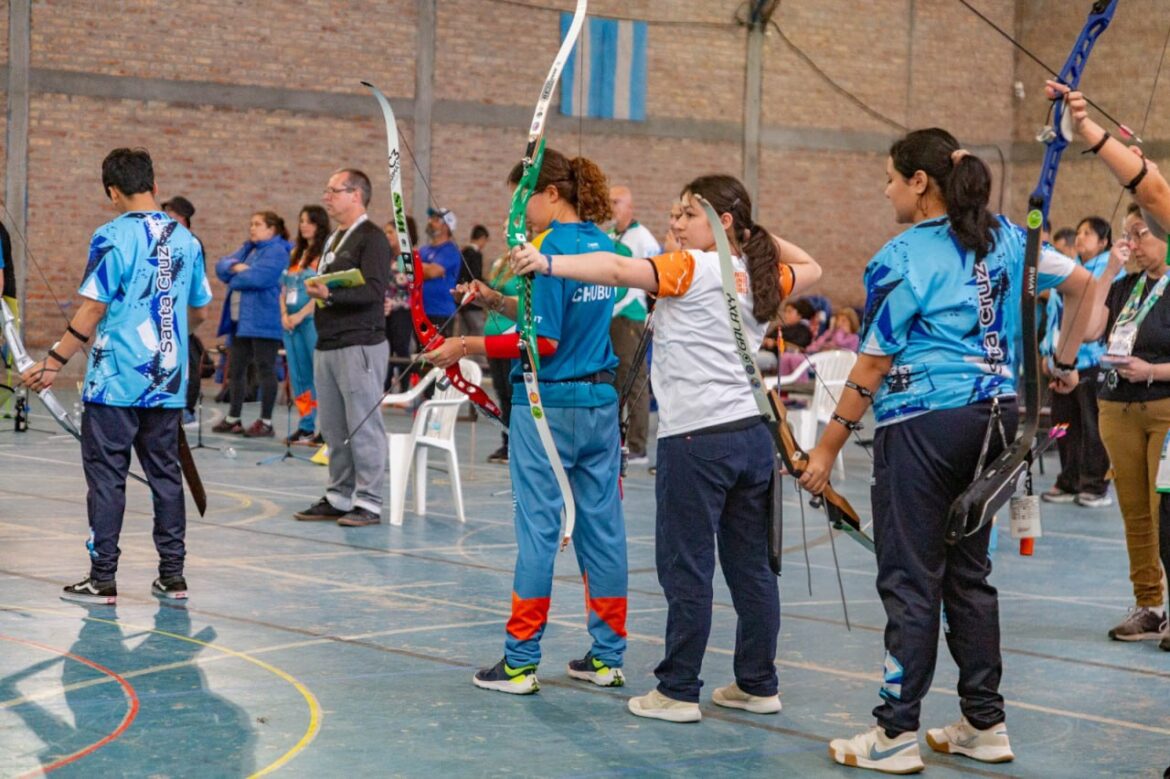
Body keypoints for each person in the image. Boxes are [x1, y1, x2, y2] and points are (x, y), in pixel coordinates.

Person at [796, 129, 1096, 773]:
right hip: (998, 425)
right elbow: (1085, 289)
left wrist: (824, 450)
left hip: (925, 425)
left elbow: (872, 363)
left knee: (911, 577)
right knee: (967, 574)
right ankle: (984, 724)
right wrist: (1063, 361)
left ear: (920, 182)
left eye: (890, 179)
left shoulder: (901, 256)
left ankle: (895, 733)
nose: (886, 190)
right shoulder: (1012, 239)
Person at [511, 173, 820, 722]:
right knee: (751, 569)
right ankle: (757, 683)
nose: (674, 223)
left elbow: (616, 268)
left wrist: (547, 263)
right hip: (751, 439)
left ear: (722, 225)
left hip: (698, 440)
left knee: (687, 570)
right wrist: (752, 236)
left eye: (688, 215)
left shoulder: (693, 267)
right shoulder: (759, 273)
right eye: (674, 213)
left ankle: (677, 690)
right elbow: (813, 266)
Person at [425, 147, 627, 695]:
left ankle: (519, 662)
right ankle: (607, 657)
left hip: (551, 407)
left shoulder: (549, 248)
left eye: (524, 198)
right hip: (600, 405)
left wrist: (465, 342)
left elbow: (546, 339)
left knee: (538, 531)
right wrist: (494, 298)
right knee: (602, 529)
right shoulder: (601, 247)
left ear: (551, 194)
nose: (520, 211)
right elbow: (557, 315)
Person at [20, 147, 211, 604]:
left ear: (112, 192)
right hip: (167, 383)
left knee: (108, 479)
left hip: (115, 383)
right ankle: (173, 576)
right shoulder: (186, 240)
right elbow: (199, 312)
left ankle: (102, 577)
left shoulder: (111, 235)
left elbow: (92, 307)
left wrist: (53, 361)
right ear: (155, 185)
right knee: (166, 477)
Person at [1048, 80, 1170, 646]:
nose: (1135, 240)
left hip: (1164, 408)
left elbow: (1151, 186)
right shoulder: (1124, 285)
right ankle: (1149, 604)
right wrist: (1105, 271)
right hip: (1117, 406)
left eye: (1142, 234)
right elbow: (1089, 329)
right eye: (1128, 235)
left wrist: (1087, 129)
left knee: (1166, 518)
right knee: (1135, 515)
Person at [293, 169, 390, 527]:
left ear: (356, 195)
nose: (327, 197)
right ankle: (338, 494)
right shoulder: (335, 238)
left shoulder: (372, 239)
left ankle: (369, 500)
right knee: (334, 427)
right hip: (328, 342)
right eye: (327, 189)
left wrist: (330, 293)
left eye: (334, 191)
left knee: (362, 425)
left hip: (360, 344)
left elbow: (374, 292)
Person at [1040, 216, 1114, 508]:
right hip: (1062, 362)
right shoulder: (1072, 273)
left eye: (1087, 233)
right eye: (1079, 232)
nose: (1080, 238)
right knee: (1063, 425)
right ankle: (1068, 478)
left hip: (1091, 361)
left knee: (1092, 426)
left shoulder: (1110, 274)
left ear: (1104, 241)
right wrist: (1050, 353)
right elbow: (1055, 321)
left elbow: (1098, 322)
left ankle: (1094, 485)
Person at [212, 211, 289, 437]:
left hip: (264, 320)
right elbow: (220, 266)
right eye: (251, 224)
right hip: (240, 321)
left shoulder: (277, 251)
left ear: (271, 229)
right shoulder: (249, 248)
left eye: (257, 224)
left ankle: (265, 421)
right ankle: (233, 418)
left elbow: (259, 278)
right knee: (236, 370)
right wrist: (236, 268)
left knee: (266, 369)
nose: (252, 228)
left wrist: (233, 274)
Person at [609, 185, 660, 465]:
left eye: (616, 202)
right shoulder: (609, 236)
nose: (611, 207)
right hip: (609, 316)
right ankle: (615, 440)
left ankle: (638, 445)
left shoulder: (644, 239)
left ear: (630, 208)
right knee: (612, 381)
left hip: (631, 317)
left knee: (634, 377)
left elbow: (655, 279)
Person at [281, 205, 329, 444]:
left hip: (310, 321)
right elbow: (283, 288)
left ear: (319, 225)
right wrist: (284, 315)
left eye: (309, 221)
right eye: (301, 221)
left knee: (318, 374)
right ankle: (306, 423)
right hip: (290, 324)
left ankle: (325, 427)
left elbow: (319, 292)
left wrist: (300, 315)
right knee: (299, 376)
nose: (304, 225)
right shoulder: (295, 253)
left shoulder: (323, 256)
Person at [162, 196, 206, 426]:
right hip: (165, 313)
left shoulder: (191, 244)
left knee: (187, 362)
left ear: (182, 218)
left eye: (170, 214)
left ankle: (186, 408)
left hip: (183, 313)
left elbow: (195, 288)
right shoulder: (163, 243)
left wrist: (189, 322)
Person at [482, 249, 520, 463]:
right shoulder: (500, 261)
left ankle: (516, 443)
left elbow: (522, 297)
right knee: (502, 394)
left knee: (512, 392)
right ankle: (506, 442)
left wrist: (497, 298)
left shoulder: (527, 260)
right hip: (493, 332)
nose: (506, 231)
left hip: (510, 333)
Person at [383, 216, 417, 393]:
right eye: (385, 232)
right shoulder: (385, 255)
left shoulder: (408, 256)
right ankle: (385, 387)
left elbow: (409, 283)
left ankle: (405, 389)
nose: (387, 235)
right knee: (385, 348)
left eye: (390, 232)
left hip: (403, 309)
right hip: (385, 309)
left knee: (401, 347)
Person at [777, 308, 861, 379]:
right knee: (786, 356)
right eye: (838, 320)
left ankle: (800, 387)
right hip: (817, 357)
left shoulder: (853, 338)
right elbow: (816, 345)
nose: (840, 323)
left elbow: (841, 344)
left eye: (844, 321)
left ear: (852, 322)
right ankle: (783, 388)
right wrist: (827, 336)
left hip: (830, 365)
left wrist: (840, 332)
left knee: (797, 360)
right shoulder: (830, 333)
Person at [420, 207, 462, 336]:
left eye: (436, 219)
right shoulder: (424, 249)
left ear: (446, 226)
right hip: (421, 310)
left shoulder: (450, 251)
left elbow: (431, 272)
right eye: (431, 218)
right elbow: (406, 269)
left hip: (440, 312)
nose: (430, 221)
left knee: (437, 352)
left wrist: (419, 267)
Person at [456, 224, 489, 346]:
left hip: (461, 299)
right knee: (479, 331)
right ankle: (480, 363)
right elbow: (476, 277)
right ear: (482, 238)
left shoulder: (462, 252)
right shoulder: (475, 254)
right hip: (473, 300)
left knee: (463, 334)